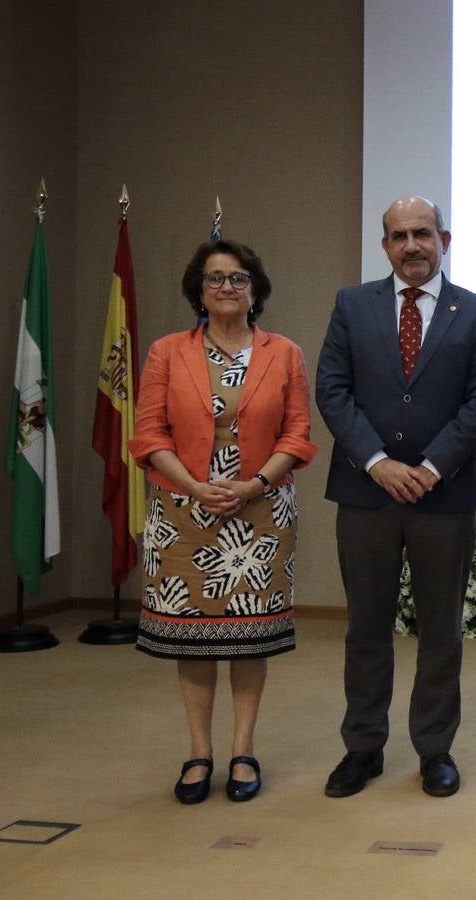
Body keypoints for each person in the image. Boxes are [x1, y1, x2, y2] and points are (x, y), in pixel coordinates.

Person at [315, 195, 476, 799]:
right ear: (385, 244)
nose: (412, 245)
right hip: (366, 493)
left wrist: (429, 467)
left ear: (444, 238)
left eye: (423, 233)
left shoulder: (475, 312)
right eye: (400, 235)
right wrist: (378, 463)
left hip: (441, 496)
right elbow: (333, 389)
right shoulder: (352, 304)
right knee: (366, 628)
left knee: (441, 630)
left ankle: (434, 750)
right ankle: (363, 748)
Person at [130, 239, 317, 805]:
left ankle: (241, 749)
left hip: (259, 508)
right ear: (199, 290)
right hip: (182, 510)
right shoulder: (167, 351)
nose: (228, 287)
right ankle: (198, 753)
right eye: (216, 278)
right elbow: (148, 432)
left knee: (247, 634)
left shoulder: (284, 352)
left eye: (239, 278)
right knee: (192, 638)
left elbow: (297, 434)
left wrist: (255, 484)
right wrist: (193, 486)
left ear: (255, 290)